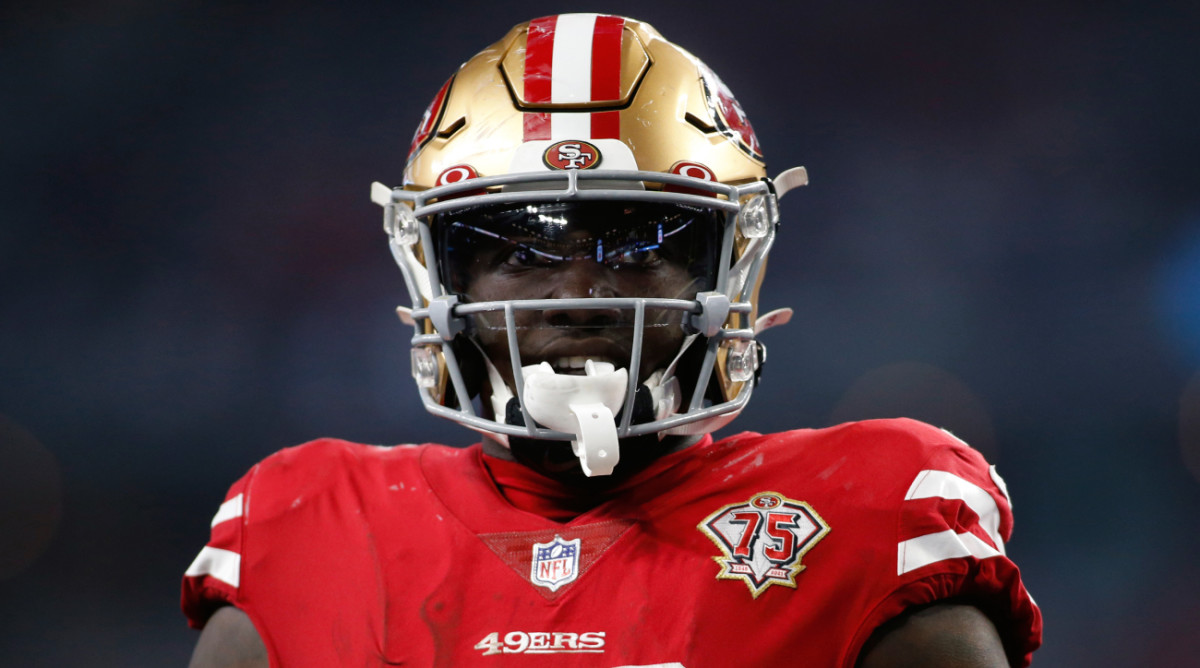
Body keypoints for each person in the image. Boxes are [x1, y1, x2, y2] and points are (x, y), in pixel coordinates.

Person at [182, 13, 1042, 667]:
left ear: (727, 270)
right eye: (521, 248)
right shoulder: (307, 525)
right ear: (440, 278)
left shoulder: (868, 512)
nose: (579, 292)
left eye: (639, 246)